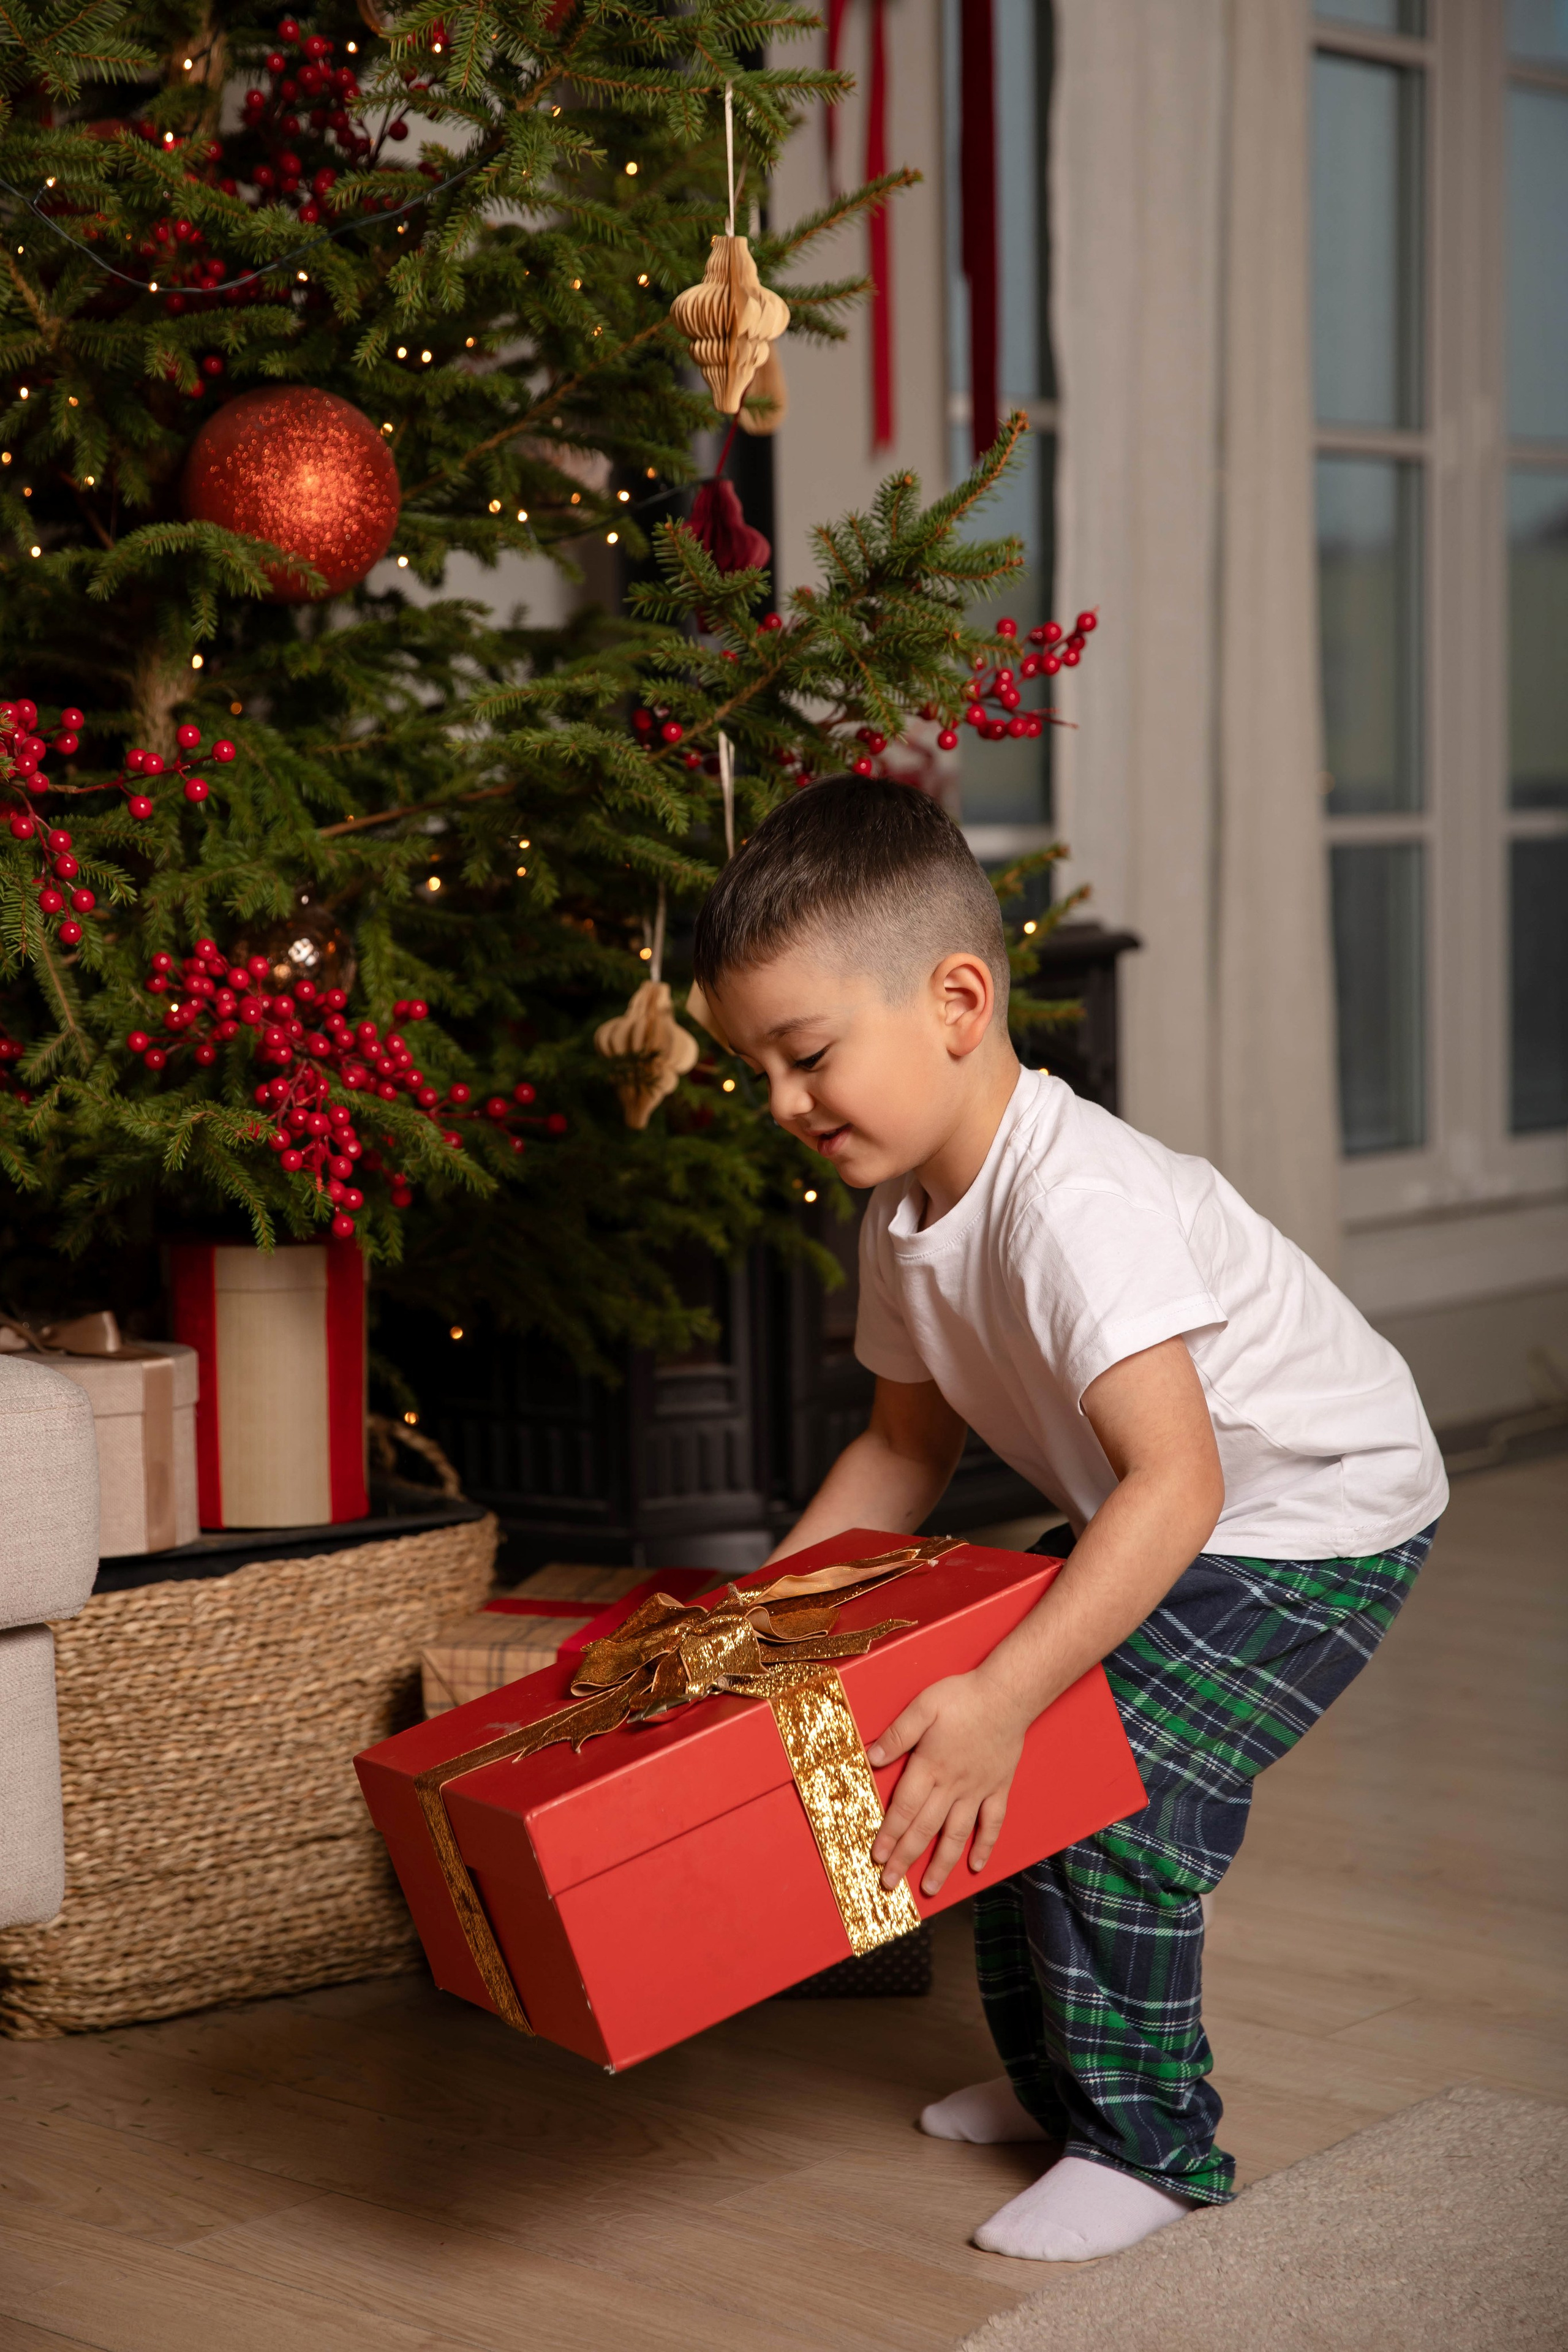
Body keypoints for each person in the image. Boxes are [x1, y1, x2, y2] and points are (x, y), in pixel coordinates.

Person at [690, 777, 1446, 2264]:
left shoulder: (1071, 1204)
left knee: (1113, 1791)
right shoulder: (900, 1217)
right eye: (757, 1071)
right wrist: (751, 1621)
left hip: (1318, 1511)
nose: (782, 1103)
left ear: (956, 1000)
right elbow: (901, 1448)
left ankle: (1154, 2151)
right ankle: (1061, 2089)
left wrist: (1004, 1693)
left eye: (808, 1056)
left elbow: (1182, 1482)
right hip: (1177, 1512)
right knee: (1010, 1761)